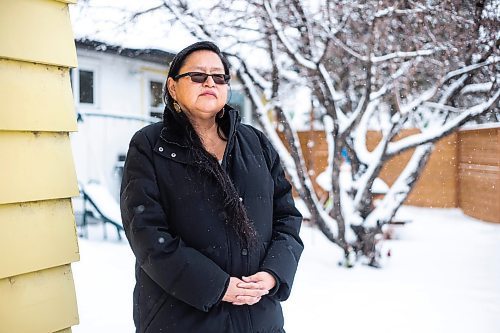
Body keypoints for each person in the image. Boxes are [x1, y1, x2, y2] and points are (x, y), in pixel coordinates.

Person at [120, 41, 303, 333]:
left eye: (219, 77)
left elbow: (287, 218)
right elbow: (147, 234)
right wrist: (217, 286)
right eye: (197, 75)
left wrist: (273, 274)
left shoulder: (256, 144)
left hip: (258, 318)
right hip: (181, 318)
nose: (210, 82)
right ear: (172, 86)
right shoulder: (149, 146)